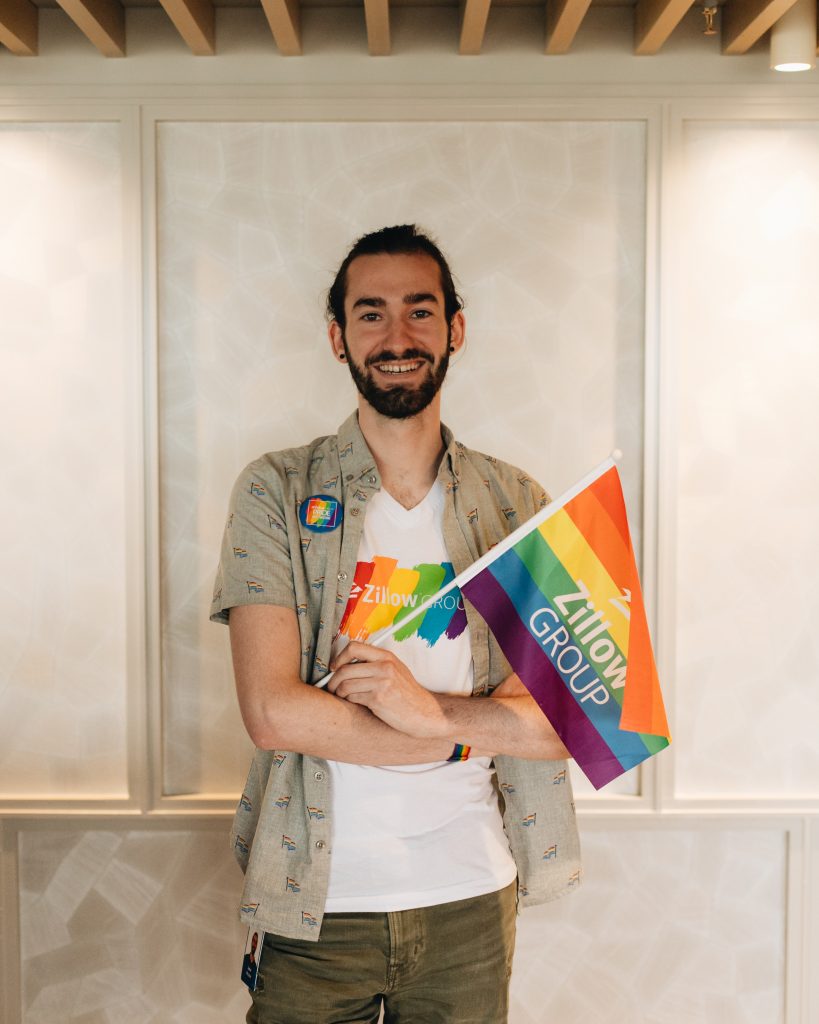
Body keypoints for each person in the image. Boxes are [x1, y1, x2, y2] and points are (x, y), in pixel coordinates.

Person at [211, 224, 581, 1024]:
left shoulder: (517, 504)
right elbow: (274, 712)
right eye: (370, 313)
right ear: (339, 338)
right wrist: (460, 736)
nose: (397, 335)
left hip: (469, 901)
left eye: (420, 309)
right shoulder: (276, 490)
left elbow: (566, 720)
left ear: (455, 328)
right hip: (317, 898)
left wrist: (428, 709)